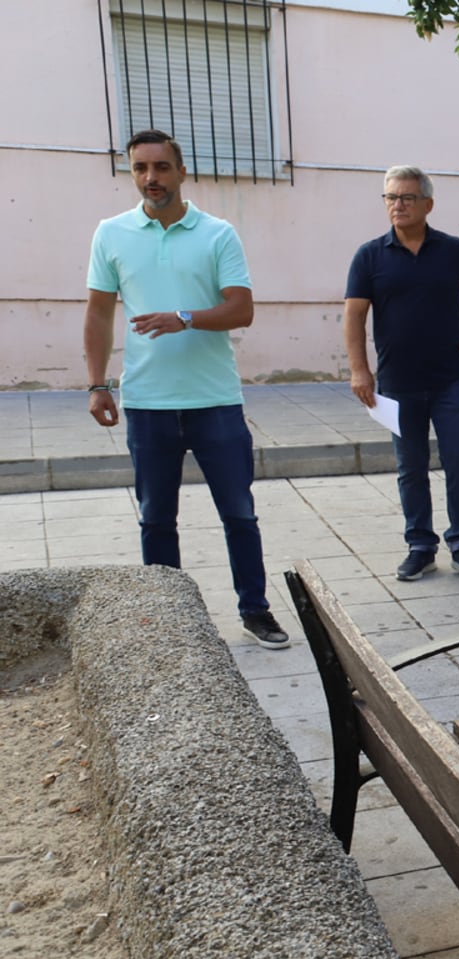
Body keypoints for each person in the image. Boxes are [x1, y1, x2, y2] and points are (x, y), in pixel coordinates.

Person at [83, 129, 289, 650]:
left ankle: (255, 611)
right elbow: (99, 313)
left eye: (161, 167)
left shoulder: (217, 234)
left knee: (239, 513)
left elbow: (241, 309)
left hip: (215, 401)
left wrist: (184, 317)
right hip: (148, 403)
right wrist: (97, 383)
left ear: (181, 171)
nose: (151, 178)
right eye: (140, 169)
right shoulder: (110, 233)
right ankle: (172, 623)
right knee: (156, 520)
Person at [345, 165, 459, 583]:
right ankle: (420, 545)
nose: (397, 205)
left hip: (449, 378)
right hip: (397, 383)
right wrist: (360, 371)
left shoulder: (454, 250)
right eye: (390, 198)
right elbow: (354, 315)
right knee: (411, 466)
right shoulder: (369, 255)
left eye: (406, 198)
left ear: (427, 204)